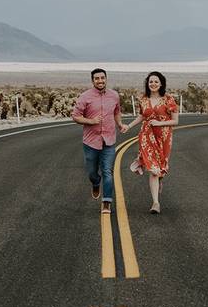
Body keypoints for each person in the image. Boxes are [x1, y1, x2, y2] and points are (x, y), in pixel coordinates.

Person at [72, 68, 128, 214]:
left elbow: (117, 112)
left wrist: (120, 124)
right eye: (97, 78)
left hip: (109, 139)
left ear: (106, 79)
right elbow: (75, 116)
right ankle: (96, 183)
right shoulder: (85, 97)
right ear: (92, 81)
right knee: (92, 172)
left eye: (102, 78)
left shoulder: (114, 95)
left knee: (107, 171)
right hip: (91, 141)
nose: (100, 80)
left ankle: (107, 202)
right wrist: (91, 121)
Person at [122, 71, 179, 214]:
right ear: (148, 84)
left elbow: (176, 121)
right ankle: (155, 203)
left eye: (156, 81)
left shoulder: (169, 100)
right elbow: (142, 116)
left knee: (160, 167)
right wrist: (129, 126)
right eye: (151, 81)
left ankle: (160, 178)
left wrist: (159, 123)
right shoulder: (144, 99)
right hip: (147, 136)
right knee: (153, 169)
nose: (153, 84)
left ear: (161, 84)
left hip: (164, 137)